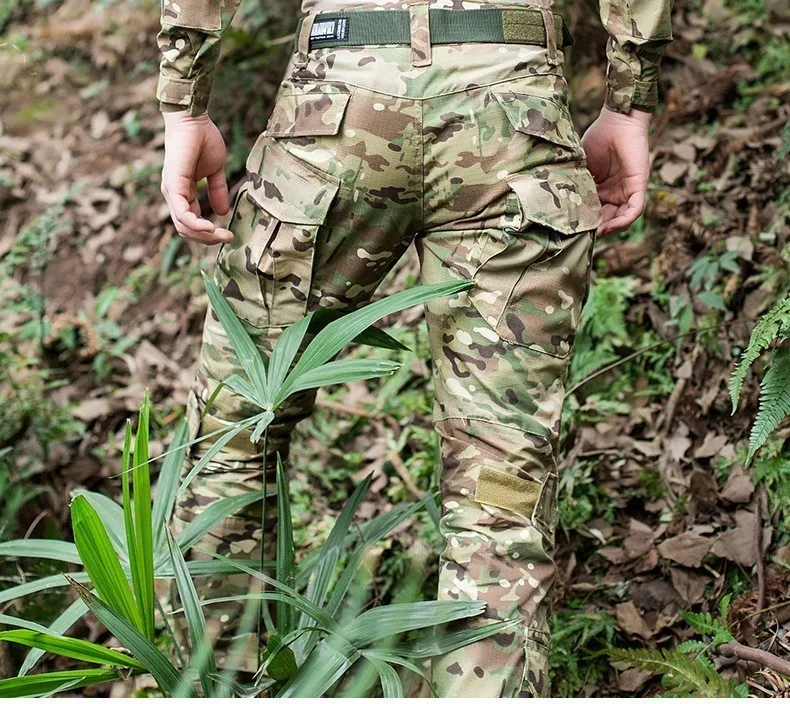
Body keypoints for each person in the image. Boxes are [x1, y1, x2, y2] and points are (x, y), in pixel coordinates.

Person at [157, 0, 672, 695]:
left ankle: (219, 687)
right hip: (512, 114)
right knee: (501, 475)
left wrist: (185, 102)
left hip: (336, 107)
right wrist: (630, 102)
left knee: (236, 429)